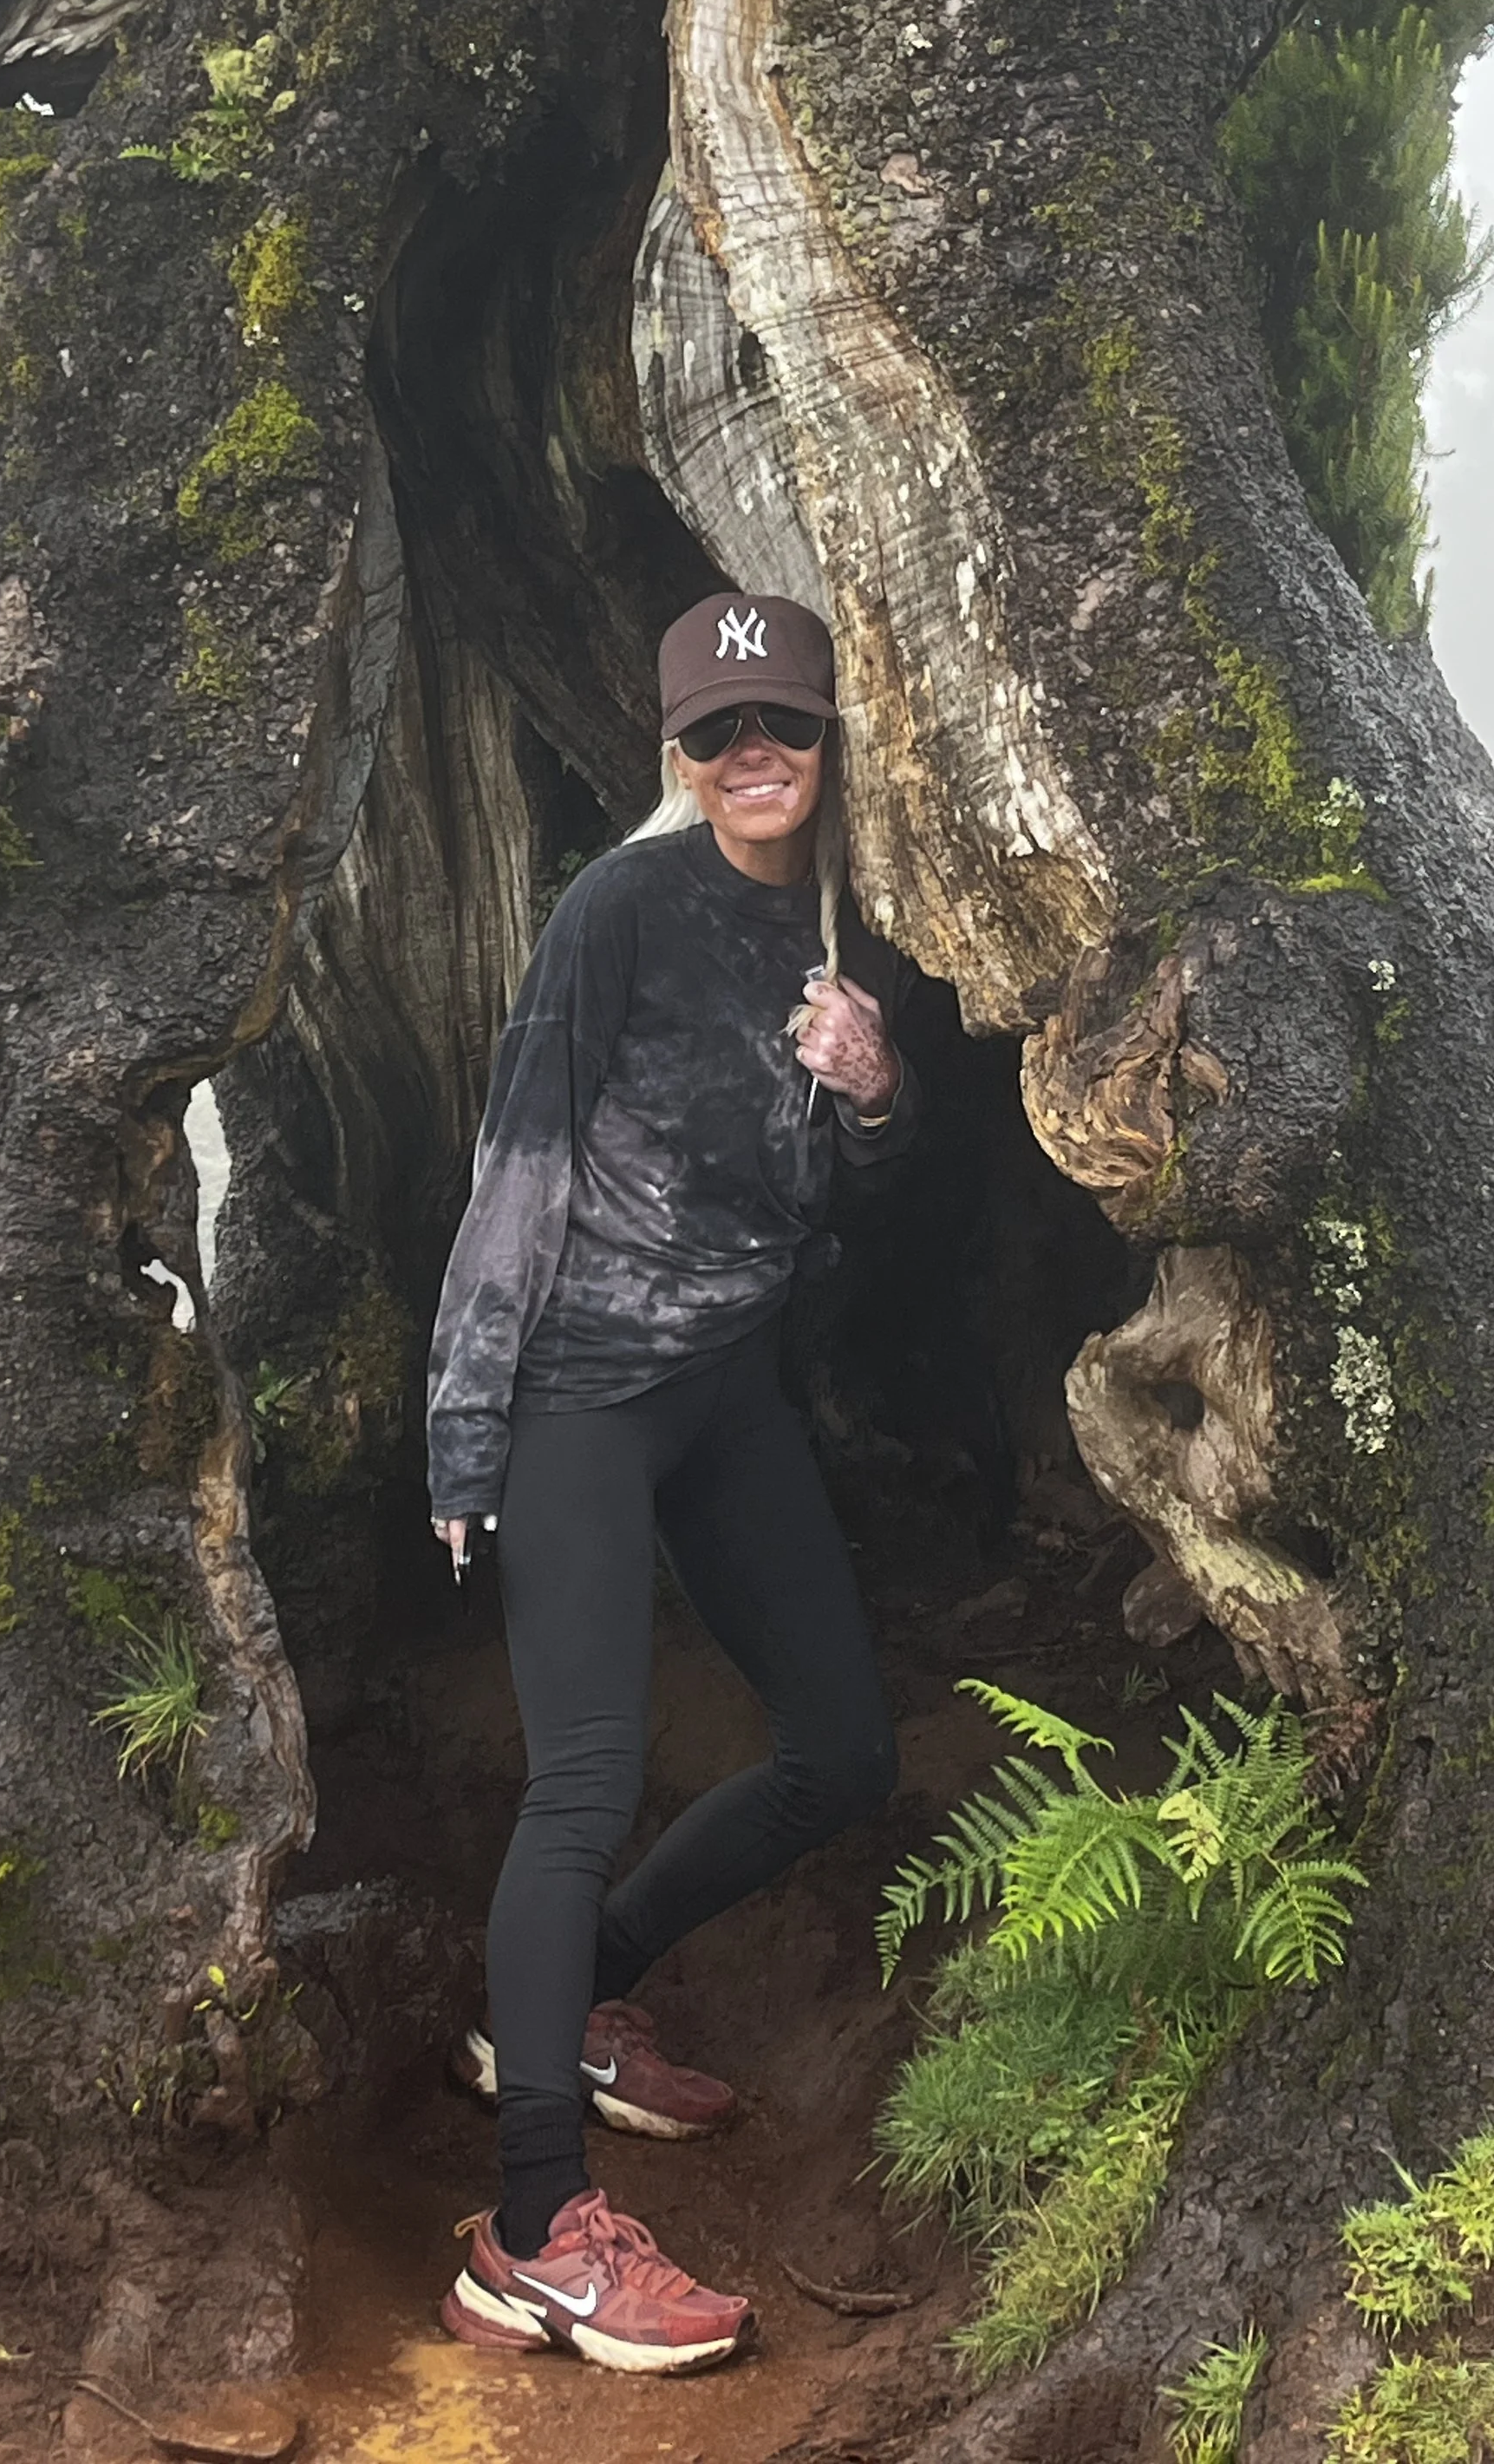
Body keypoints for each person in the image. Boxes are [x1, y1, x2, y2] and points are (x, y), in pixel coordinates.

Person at [426, 591, 923, 2375]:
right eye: (713, 735)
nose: (749, 756)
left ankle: (579, 1999)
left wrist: (873, 1096)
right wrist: (465, 1422)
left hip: (724, 1383)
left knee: (839, 1751)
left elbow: (844, 1204)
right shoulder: (620, 906)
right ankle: (533, 2226)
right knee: (581, 1776)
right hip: (574, 1390)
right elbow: (521, 1156)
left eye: (775, 722)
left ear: (824, 732)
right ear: (676, 757)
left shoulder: (855, 923)